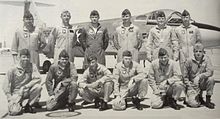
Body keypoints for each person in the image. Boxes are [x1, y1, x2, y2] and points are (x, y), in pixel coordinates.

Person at [3, 49, 42, 116]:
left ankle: (29, 105)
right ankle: (18, 104)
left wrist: (25, 87)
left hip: (27, 90)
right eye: (24, 57)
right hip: (16, 93)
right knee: (14, 112)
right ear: (19, 57)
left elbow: (38, 79)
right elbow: (5, 84)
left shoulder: (32, 66)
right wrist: (9, 98)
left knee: (38, 87)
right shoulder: (13, 68)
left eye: (27, 57)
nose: (26, 59)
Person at [183, 43, 215, 109]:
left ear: (203, 52)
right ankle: (190, 98)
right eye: (196, 51)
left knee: (211, 79)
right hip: (192, 86)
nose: (198, 53)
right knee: (194, 104)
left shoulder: (206, 59)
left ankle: (208, 100)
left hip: (201, 83)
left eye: (200, 51)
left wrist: (199, 76)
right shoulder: (189, 61)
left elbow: (210, 71)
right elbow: (184, 76)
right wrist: (189, 86)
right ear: (193, 52)